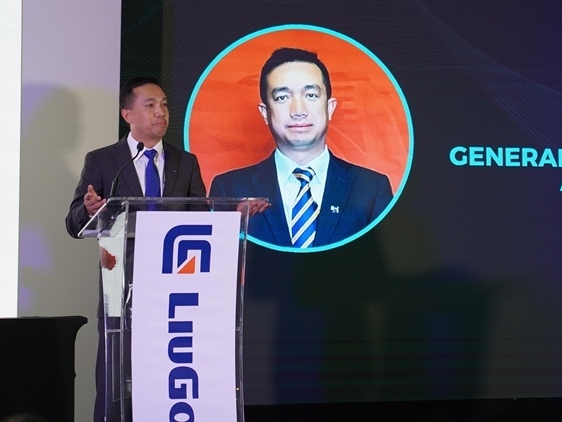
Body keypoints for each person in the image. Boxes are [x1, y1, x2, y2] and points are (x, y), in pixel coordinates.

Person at [65, 77, 207, 421]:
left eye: (164, 105)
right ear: (127, 114)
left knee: (164, 382)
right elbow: (73, 223)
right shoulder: (103, 161)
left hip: (175, 292)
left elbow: (201, 221)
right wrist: (89, 210)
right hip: (121, 291)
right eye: (150, 105)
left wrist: (233, 216)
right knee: (115, 384)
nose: (161, 112)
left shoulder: (186, 162)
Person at [209, 47, 393, 248]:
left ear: (330, 108)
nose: (298, 111)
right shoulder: (229, 188)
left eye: (311, 95)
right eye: (282, 97)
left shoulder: (371, 188)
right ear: (265, 113)